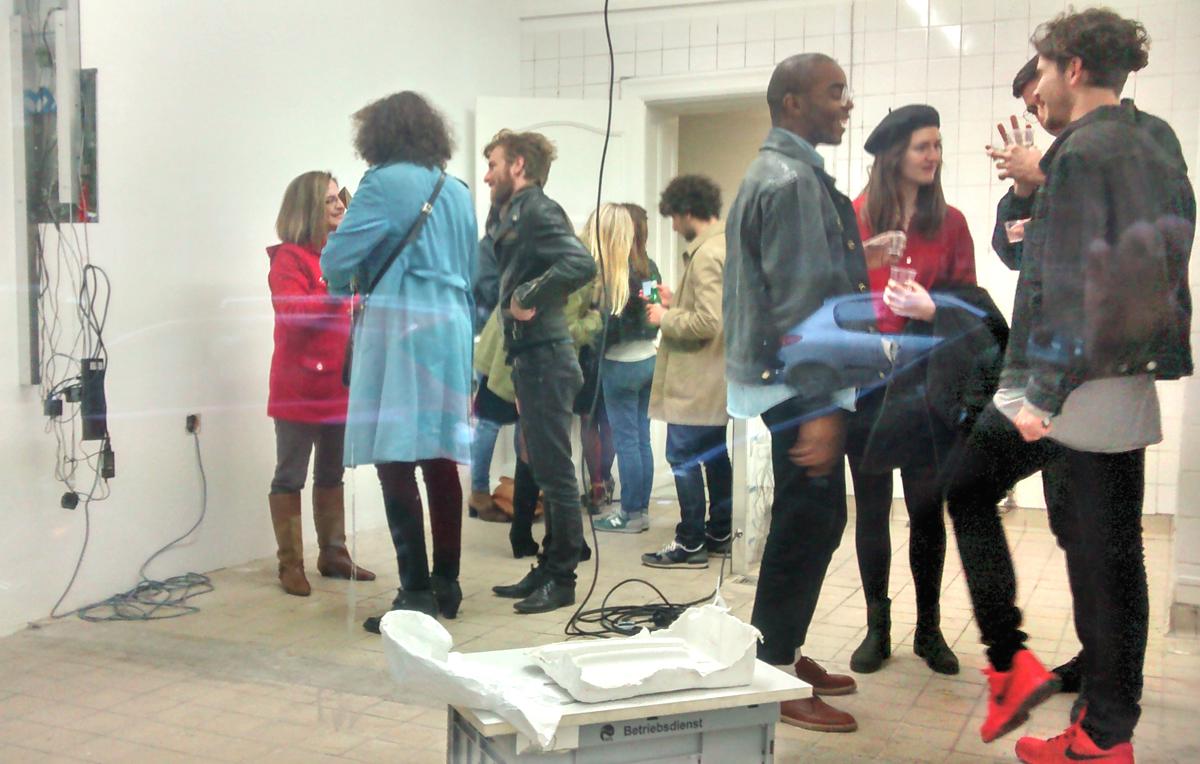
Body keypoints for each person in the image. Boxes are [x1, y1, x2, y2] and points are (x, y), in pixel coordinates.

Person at [938, 10, 1194, 760]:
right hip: (1125, 377)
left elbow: (1075, 287)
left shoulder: (1079, 153)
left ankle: (1019, 669)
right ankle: (1106, 730)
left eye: (1045, 72)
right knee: (1111, 553)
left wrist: (1039, 399)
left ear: (1073, 68)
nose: (1041, 89)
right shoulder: (1156, 138)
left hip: (1070, 384)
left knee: (968, 489)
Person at [989, 54, 1190, 702]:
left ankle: (1114, 692)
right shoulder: (1061, 158)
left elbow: (1142, 239)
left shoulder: (1141, 138)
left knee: (1113, 546)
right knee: (1076, 533)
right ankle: (1097, 662)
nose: (1035, 109)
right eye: (1027, 104)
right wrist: (1027, 193)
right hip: (1058, 377)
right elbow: (1014, 251)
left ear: (1069, 74)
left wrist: (1046, 179)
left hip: (1106, 373)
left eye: (1036, 93)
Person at [724, 53, 867, 733]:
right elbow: (802, 300)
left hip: (788, 377)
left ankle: (782, 649)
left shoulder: (787, 172)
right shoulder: (790, 180)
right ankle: (773, 667)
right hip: (796, 381)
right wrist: (818, 405)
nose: (846, 104)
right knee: (807, 521)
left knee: (816, 518)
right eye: (835, 93)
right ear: (793, 104)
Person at [320, 92, 477, 632]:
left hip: (402, 327)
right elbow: (473, 268)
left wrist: (349, 277)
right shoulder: (456, 190)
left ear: (378, 134)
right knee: (439, 455)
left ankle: (414, 592)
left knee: (394, 456)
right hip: (451, 328)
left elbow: (336, 260)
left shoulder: (382, 183)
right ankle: (447, 583)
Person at [845, 105, 978, 677]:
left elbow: (971, 308)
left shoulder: (951, 223)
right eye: (924, 146)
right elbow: (832, 297)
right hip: (869, 381)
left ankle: (930, 629)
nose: (934, 156)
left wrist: (931, 308)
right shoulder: (854, 218)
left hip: (928, 384)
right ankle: (878, 627)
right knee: (872, 508)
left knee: (926, 508)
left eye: (938, 146)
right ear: (894, 154)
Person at [485, 129, 597, 614]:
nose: (486, 174)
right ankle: (549, 566)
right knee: (546, 469)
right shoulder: (513, 212)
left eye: (493, 164)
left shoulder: (537, 209)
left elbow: (581, 264)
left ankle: (562, 577)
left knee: (555, 474)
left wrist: (527, 295)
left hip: (548, 358)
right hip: (531, 357)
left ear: (518, 166)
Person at [265, 171, 376, 597]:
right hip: (297, 390)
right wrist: (341, 295)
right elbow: (294, 313)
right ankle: (290, 564)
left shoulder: (340, 258)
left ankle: (333, 554)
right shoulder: (288, 259)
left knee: (331, 473)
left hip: (338, 386)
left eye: (338, 198)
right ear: (308, 207)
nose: (340, 205)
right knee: (290, 476)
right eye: (329, 200)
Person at [640, 174, 732, 568]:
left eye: (675, 218)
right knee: (715, 455)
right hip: (715, 375)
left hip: (696, 377)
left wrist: (665, 317)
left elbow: (708, 322)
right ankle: (720, 532)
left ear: (688, 211)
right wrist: (676, 301)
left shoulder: (707, 255)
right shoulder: (724, 245)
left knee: (682, 456)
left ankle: (690, 541)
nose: (675, 227)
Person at [590, 203, 662, 534]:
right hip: (648, 360)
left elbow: (604, 327)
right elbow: (653, 312)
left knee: (627, 441)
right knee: (642, 439)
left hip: (619, 366)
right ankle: (641, 510)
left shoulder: (612, 273)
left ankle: (629, 513)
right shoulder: (649, 269)